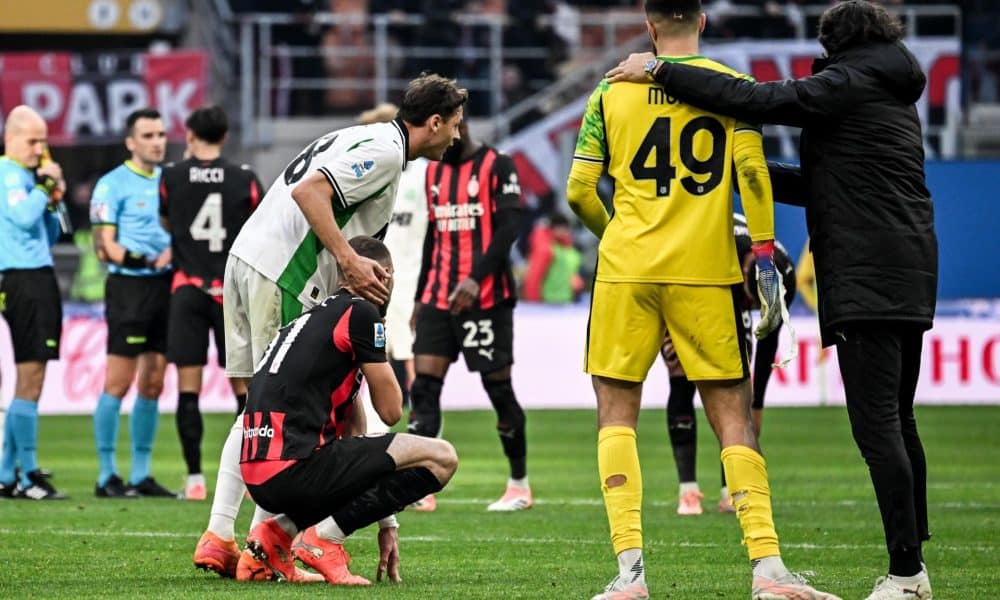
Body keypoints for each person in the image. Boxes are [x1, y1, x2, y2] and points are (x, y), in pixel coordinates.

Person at [608, 1, 937, 597]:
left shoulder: (848, 80)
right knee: (900, 418)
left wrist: (660, 71)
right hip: (907, 267)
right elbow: (823, 186)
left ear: (836, 42)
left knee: (878, 424)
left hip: (867, 273)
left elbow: (760, 101)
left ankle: (908, 573)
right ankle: (913, 563)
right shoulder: (888, 90)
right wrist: (738, 168)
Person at [567, 2, 839, 598]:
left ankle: (629, 577)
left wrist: (617, 238)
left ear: (646, 22)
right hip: (706, 271)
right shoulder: (733, 89)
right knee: (734, 417)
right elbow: (754, 175)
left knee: (617, 417)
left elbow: (581, 192)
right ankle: (768, 570)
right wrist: (764, 254)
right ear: (704, 20)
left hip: (627, 273)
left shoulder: (610, 93)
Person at [192, 73, 466, 583]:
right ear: (433, 122)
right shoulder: (385, 151)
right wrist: (349, 260)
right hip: (283, 271)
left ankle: (223, 534)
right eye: (454, 124)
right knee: (280, 408)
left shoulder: (362, 139)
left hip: (247, 259)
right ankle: (255, 544)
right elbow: (310, 190)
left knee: (262, 405)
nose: (456, 135)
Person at [240, 236, 458, 584]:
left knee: (344, 453)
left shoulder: (314, 320)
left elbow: (356, 438)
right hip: (292, 470)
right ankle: (324, 540)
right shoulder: (360, 314)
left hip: (259, 476)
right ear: (384, 274)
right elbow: (390, 412)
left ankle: (273, 539)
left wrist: (388, 521)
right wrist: (377, 343)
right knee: (442, 457)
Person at [407, 119, 529, 513]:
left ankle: (518, 485)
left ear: (457, 125)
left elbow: (510, 226)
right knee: (424, 388)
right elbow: (434, 236)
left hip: (487, 299)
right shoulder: (432, 172)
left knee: (498, 389)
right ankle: (421, 486)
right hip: (438, 298)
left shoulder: (498, 165)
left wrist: (476, 279)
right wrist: (420, 295)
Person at [159, 105, 264, 501]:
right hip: (231, 291)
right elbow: (260, 228)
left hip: (187, 287)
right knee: (245, 387)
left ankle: (194, 480)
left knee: (189, 386)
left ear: (190, 136)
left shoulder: (170, 176)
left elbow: (168, 222)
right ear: (224, 137)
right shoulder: (245, 178)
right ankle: (254, 475)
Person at [666, 214, 796, 516]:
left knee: (738, 387)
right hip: (683, 283)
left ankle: (731, 490)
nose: (751, 310)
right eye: (751, 303)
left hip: (722, 283)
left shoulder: (783, 275)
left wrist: (758, 402)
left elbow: (768, 342)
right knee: (681, 373)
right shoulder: (715, 250)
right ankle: (688, 490)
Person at [90, 108, 174, 499]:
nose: (157, 141)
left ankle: (141, 474)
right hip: (129, 290)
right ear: (130, 142)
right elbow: (104, 246)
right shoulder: (111, 185)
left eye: (160, 134)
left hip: (166, 287)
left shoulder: (171, 181)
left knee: (154, 382)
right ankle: (107, 473)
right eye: (148, 135)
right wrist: (143, 259)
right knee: (118, 382)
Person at [0, 105, 67, 500]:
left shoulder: (26, 177)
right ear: (11, 138)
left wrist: (53, 199)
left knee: (33, 375)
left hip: (37, 274)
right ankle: (27, 476)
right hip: (22, 278)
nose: (41, 148)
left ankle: (9, 473)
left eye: (44, 140)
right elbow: (23, 218)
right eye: (33, 140)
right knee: (31, 375)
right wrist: (43, 188)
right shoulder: (8, 174)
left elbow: (51, 233)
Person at [359, 102, 430, 418]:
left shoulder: (423, 173)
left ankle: (416, 404)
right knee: (383, 340)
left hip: (411, 271)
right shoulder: (370, 171)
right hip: (376, 269)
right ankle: (383, 406)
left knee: (403, 340)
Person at [522, 212, 583, 304]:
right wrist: (533, 303)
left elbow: (571, 273)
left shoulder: (567, 249)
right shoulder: (546, 249)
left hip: (566, 301)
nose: (565, 232)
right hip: (548, 302)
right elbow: (534, 276)